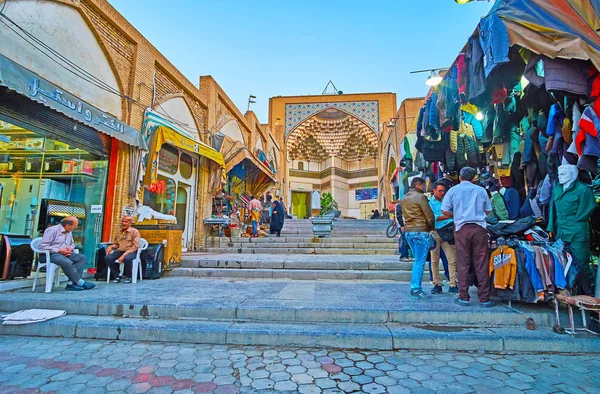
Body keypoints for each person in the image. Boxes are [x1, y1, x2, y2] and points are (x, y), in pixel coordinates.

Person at [441, 167, 494, 307]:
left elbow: (444, 210)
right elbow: (488, 210)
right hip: (479, 229)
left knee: (463, 263)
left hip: (461, 229)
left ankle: (463, 297)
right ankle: (484, 298)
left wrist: (457, 215)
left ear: (459, 177)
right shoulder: (481, 190)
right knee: (481, 262)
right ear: (474, 178)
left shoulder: (453, 191)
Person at [39, 216, 95, 291]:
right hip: (50, 255)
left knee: (81, 258)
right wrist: (59, 250)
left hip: (64, 254)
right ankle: (79, 282)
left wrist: (70, 248)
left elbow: (72, 244)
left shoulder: (69, 232)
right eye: (75, 226)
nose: (76, 227)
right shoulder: (52, 230)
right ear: (68, 225)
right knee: (66, 261)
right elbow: (42, 246)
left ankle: (71, 284)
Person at [401, 177, 435, 299]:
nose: (425, 188)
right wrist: (432, 228)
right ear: (419, 186)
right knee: (419, 261)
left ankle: (415, 287)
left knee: (418, 260)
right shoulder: (421, 197)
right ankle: (415, 288)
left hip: (409, 232)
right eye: (423, 186)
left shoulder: (404, 198)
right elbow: (429, 215)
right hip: (420, 231)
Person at [429, 181, 457, 294]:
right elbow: (432, 217)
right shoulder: (429, 202)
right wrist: (448, 216)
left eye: (443, 190)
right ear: (434, 190)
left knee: (452, 259)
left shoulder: (448, 201)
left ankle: (453, 283)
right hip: (435, 233)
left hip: (448, 232)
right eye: (439, 191)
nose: (442, 193)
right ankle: (436, 283)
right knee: (434, 260)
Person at [105, 216, 141, 283]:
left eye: (126, 222)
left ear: (130, 223)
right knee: (108, 258)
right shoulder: (119, 232)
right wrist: (111, 247)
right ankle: (118, 275)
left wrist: (124, 255)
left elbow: (135, 246)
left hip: (131, 251)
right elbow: (117, 244)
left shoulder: (135, 232)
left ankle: (129, 276)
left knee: (127, 258)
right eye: (123, 221)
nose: (123, 223)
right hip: (120, 251)